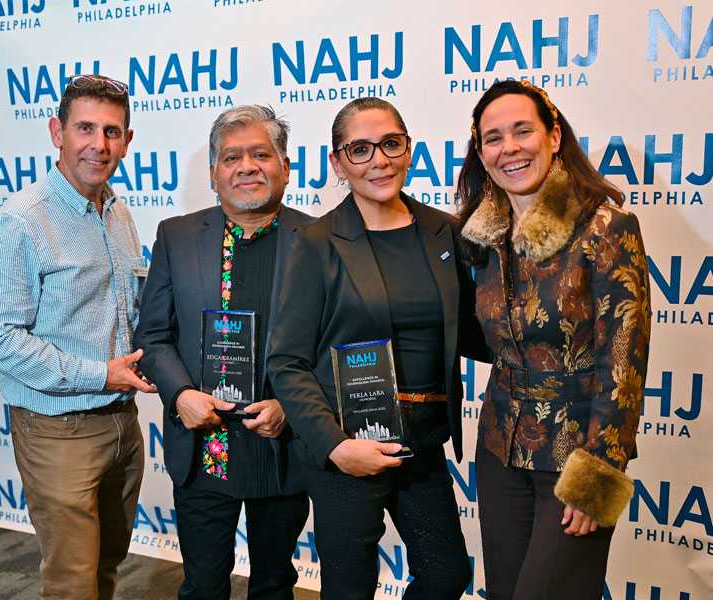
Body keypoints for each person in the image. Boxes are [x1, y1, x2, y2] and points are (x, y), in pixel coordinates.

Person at [267, 97, 487, 599]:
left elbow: (472, 329)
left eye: (390, 144)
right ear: (338, 163)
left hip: (423, 441)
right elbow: (287, 362)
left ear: (408, 149)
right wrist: (336, 446)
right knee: (350, 588)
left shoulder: (445, 231)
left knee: (447, 574)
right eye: (360, 149)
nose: (379, 160)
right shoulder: (318, 242)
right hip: (347, 440)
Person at [456, 80, 651, 600]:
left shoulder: (606, 226)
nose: (510, 148)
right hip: (499, 450)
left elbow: (624, 362)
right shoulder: (483, 234)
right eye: (493, 138)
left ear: (555, 137)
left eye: (523, 131)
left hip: (575, 457)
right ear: (481, 153)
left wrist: (597, 475)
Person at [0, 74, 156, 600]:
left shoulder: (118, 211)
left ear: (127, 140)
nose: (99, 144)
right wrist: (99, 374)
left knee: (108, 562)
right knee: (72, 581)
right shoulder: (21, 221)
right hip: (58, 431)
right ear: (57, 132)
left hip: (122, 420)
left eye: (112, 131)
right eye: (85, 128)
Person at [134, 105, 313, 600]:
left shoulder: (320, 239)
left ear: (285, 167)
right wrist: (180, 395)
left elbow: (332, 343)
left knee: (275, 585)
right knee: (202, 587)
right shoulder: (176, 236)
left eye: (261, 154)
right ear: (214, 173)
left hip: (281, 445)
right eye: (232, 157)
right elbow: (152, 335)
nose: (246, 167)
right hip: (204, 443)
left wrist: (290, 406)